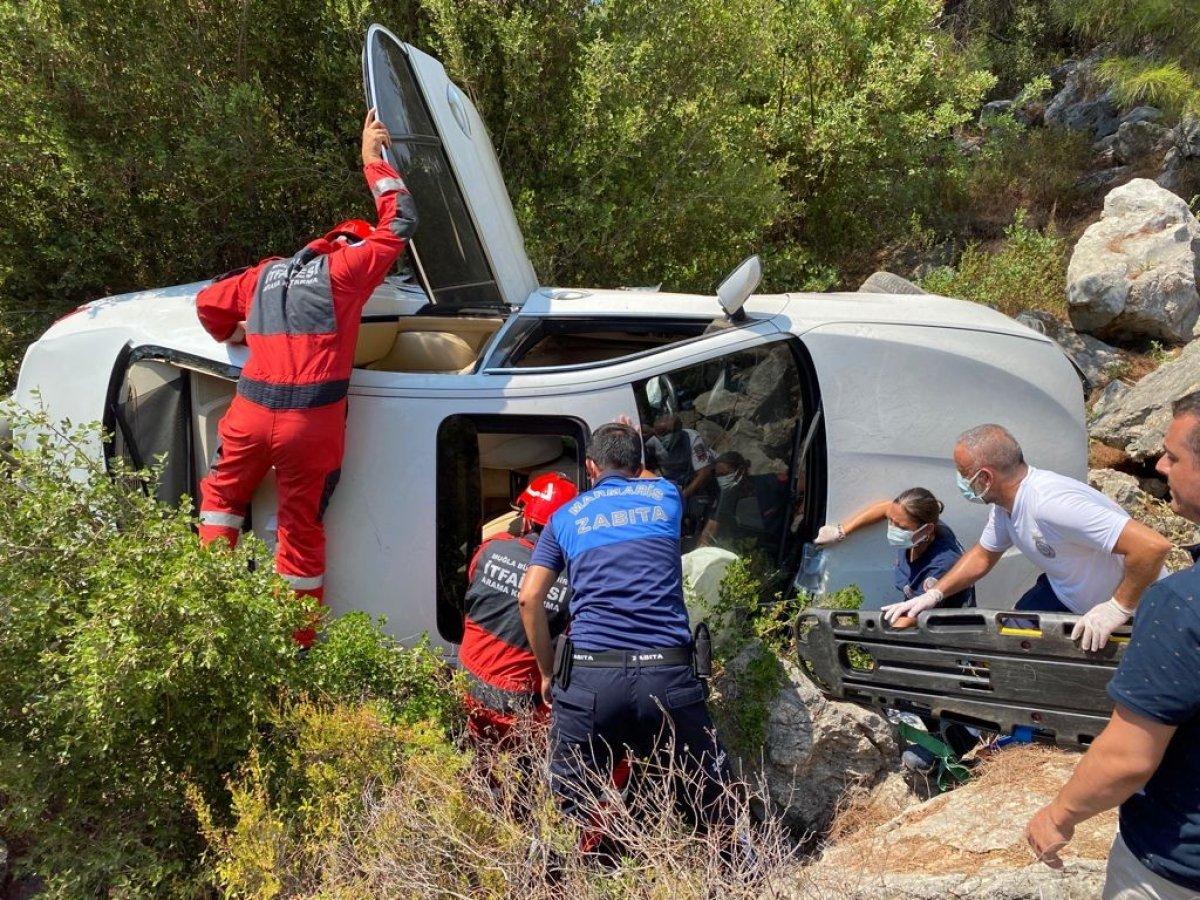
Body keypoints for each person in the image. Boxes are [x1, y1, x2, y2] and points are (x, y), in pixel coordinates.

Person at [194, 109, 417, 645]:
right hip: (307, 426)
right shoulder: (347, 272)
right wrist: (371, 161)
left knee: (221, 501)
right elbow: (401, 220)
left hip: (247, 416)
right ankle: (293, 648)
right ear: (352, 246)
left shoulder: (265, 274)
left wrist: (238, 333)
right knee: (299, 534)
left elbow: (207, 305)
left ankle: (206, 610)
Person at [518, 421, 731, 845]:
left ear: (591, 467)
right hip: (668, 677)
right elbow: (647, 478)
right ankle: (739, 876)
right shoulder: (666, 497)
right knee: (715, 802)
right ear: (638, 466)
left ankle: (555, 882)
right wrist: (636, 448)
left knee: (566, 810)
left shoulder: (565, 518)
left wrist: (546, 671)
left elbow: (529, 598)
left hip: (592, 681)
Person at [1026, 392, 1200, 899]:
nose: (1160, 466)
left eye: (1174, 456)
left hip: (1175, 868)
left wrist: (1059, 815)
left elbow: (1128, 758)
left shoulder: (1182, 603)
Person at [881, 424, 1172, 651]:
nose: (959, 480)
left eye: (962, 472)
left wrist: (1118, 607)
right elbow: (983, 555)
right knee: (1009, 640)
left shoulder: (1051, 504)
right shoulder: (1006, 506)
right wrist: (933, 595)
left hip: (1135, 607)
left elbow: (1151, 547)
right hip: (1064, 593)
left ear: (984, 478)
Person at [459, 473, 577, 746]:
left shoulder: (490, 548)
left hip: (467, 682)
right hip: (518, 702)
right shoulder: (573, 580)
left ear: (525, 518)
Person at [813, 486, 975, 611]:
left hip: (939, 632)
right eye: (891, 521)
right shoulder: (920, 530)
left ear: (926, 530)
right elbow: (887, 508)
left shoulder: (940, 565)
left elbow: (914, 616)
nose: (893, 528)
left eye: (901, 527)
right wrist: (841, 531)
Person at [697, 451, 789, 552]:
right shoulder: (725, 497)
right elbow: (710, 528)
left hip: (776, 544)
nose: (722, 479)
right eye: (718, 476)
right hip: (746, 548)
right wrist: (700, 551)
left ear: (740, 471)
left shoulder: (768, 483)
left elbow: (799, 482)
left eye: (724, 474)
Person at [644, 413, 716, 531]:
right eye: (661, 434)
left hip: (691, 479)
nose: (664, 437)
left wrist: (682, 496)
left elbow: (704, 472)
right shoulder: (651, 441)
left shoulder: (693, 439)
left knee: (700, 507)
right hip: (669, 481)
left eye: (667, 433)